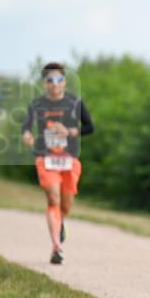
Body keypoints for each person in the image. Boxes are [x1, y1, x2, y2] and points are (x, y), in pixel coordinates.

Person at [21, 63, 95, 265]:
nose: (54, 84)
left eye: (59, 80)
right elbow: (26, 126)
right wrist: (27, 135)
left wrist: (70, 132)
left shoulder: (74, 103)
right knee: (53, 199)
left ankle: (60, 222)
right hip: (46, 157)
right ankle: (57, 246)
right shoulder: (37, 105)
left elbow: (90, 127)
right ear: (44, 84)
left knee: (66, 205)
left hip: (69, 159)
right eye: (50, 80)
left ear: (64, 81)